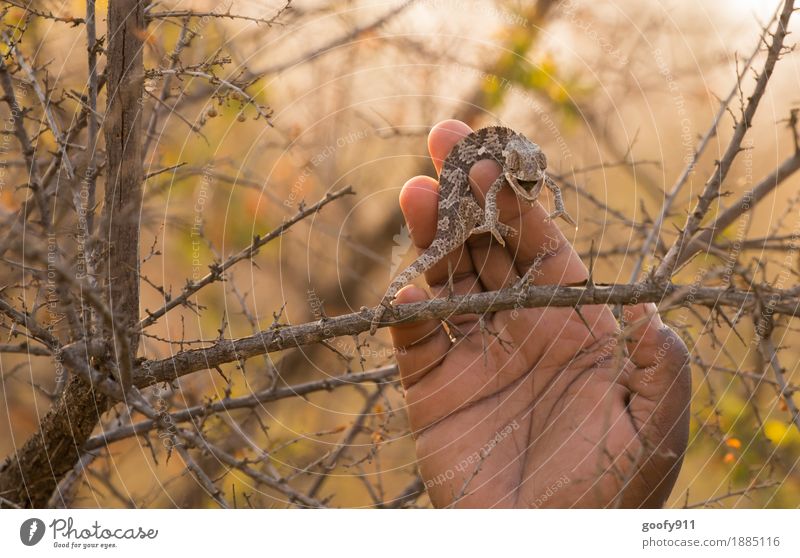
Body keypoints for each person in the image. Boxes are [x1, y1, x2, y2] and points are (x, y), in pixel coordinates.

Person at [386, 120, 691, 508]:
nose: (529, 190)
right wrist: (492, 219)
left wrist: (556, 206)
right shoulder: (503, 173)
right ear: (512, 167)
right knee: (452, 215)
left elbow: (546, 187)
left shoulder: (531, 172)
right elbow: (495, 186)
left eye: (534, 183)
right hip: (475, 178)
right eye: (522, 181)